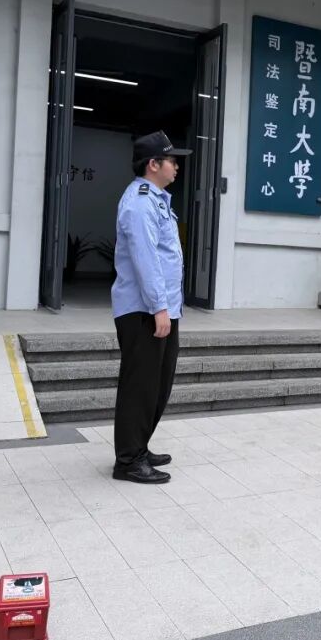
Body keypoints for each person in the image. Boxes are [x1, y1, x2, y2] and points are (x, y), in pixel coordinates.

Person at [110, 130, 190, 484]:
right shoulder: (140, 202)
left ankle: (138, 446)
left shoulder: (156, 200)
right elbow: (145, 258)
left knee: (157, 385)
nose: (177, 166)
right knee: (140, 386)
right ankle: (128, 460)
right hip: (144, 310)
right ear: (153, 164)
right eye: (172, 160)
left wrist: (167, 308)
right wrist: (159, 307)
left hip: (161, 308)